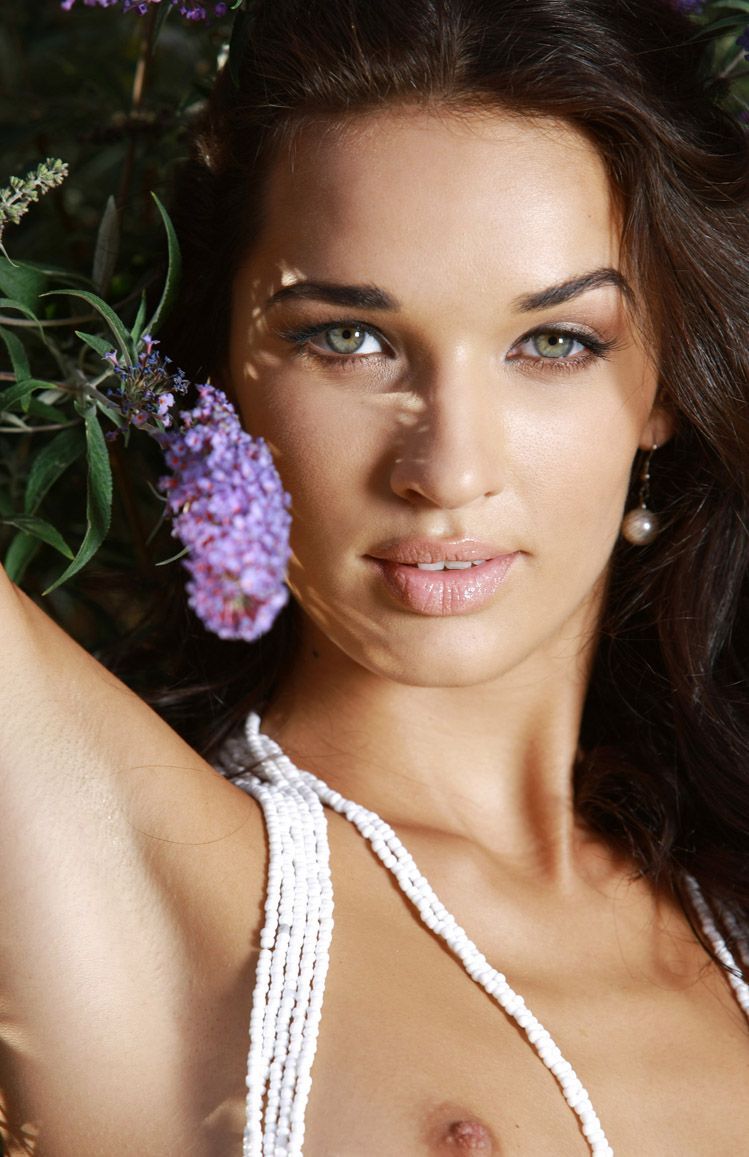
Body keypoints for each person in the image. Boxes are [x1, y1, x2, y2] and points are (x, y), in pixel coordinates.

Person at [1, 0, 749, 1153]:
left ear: (660, 384)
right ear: (222, 371)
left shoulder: (724, 898)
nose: (444, 468)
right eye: (346, 338)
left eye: (552, 342)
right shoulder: (133, 857)